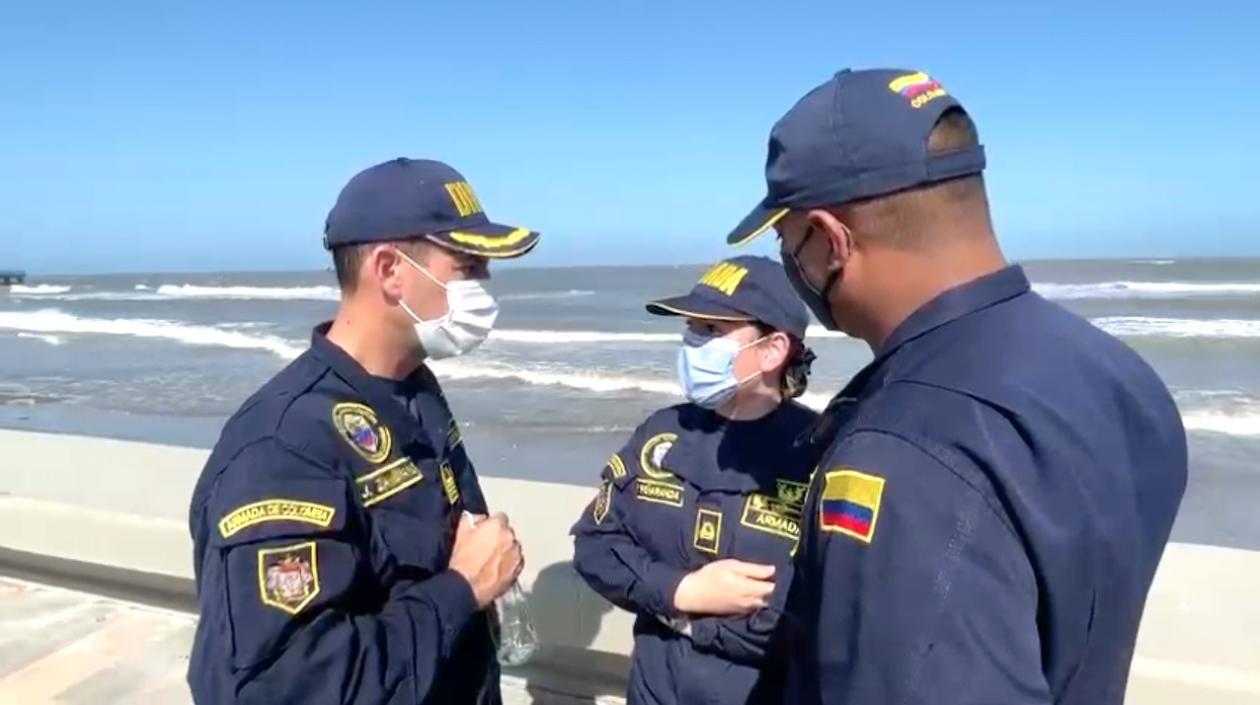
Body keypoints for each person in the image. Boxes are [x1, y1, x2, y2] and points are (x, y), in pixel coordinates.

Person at [724, 69, 1188, 704]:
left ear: (830, 241)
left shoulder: (905, 448)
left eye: (788, 242)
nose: (790, 266)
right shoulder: (1117, 373)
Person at [187, 158, 540, 704]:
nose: (486, 287)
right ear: (390, 270)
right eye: (468, 266)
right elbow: (281, 686)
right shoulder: (284, 449)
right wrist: (462, 589)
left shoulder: (413, 390)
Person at [571, 255, 823, 704]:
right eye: (691, 329)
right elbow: (595, 547)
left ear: (772, 350)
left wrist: (679, 618)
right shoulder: (660, 435)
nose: (693, 344)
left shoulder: (820, 452)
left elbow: (813, 617)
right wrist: (681, 591)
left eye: (712, 330)